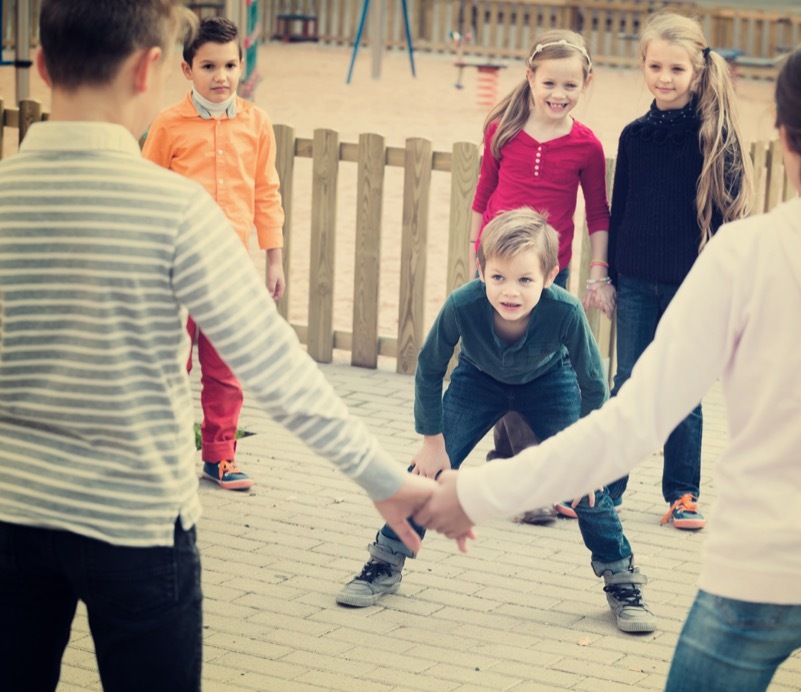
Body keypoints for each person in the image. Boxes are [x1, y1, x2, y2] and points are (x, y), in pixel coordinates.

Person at [416, 27, 801, 690]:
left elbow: (631, 421)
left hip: (755, 579)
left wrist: (480, 491)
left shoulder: (746, 254)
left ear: (785, 134)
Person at [0, 2, 431, 690]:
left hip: (11, 517)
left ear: (44, 64)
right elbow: (276, 367)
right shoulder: (175, 209)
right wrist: (384, 479)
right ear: (150, 68)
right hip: (137, 527)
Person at [336, 208, 656, 634]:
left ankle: (622, 580)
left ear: (550, 275)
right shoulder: (462, 305)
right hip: (477, 380)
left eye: (526, 279)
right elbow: (430, 368)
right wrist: (433, 440)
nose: (511, 291)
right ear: (481, 269)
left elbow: (593, 385)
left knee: (587, 483)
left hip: (549, 381)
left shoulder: (565, 312)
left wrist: (588, 454)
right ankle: (384, 563)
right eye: (499, 277)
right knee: (424, 474)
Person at [605, 12, 752, 531]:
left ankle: (683, 494)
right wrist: (610, 277)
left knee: (684, 388)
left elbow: (734, 222)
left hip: (694, 285)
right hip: (636, 281)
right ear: (642, 65)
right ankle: (607, 486)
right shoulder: (634, 136)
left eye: (675, 69)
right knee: (628, 383)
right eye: (655, 66)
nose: (663, 78)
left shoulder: (715, 138)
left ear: (697, 72)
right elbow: (619, 210)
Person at [469, 31, 614, 506]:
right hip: (498, 270)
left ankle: (518, 470)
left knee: (545, 371)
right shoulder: (503, 131)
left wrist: (597, 271)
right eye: (549, 82)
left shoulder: (586, 146)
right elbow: (482, 196)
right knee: (501, 365)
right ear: (530, 77)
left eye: (571, 86)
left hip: (551, 274)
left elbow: (596, 213)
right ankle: (525, 477)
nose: (559, 94)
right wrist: (476, 257)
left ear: (586, 84)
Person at [143, 15, 284, 491]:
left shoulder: (256, 123)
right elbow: (148, 191)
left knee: (225, 369)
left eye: (229, 65)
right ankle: (161, 456)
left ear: (243, 66)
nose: (220, 76)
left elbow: (266, 192)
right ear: (187, 70)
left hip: (229, 272)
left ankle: (219, 457)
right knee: (169, 366)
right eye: (208, 66)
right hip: (172, 270)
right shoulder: (167, 125)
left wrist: (274, 258)